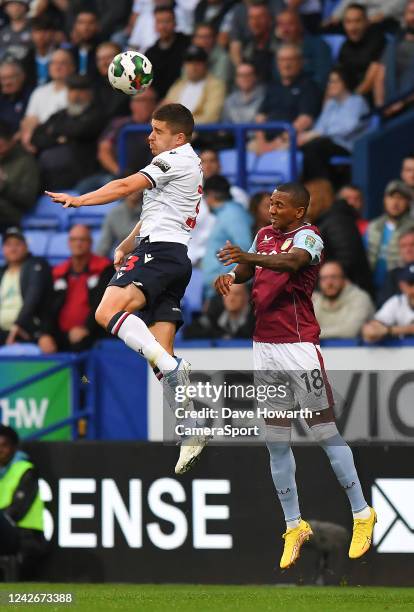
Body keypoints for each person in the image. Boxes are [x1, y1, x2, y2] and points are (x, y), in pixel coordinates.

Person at [214, 182, 376, 569]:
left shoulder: (310, 237)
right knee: (275, 441)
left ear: (299, 211)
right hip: (264, 347)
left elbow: (291, 264)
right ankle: (293, 525)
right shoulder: (263, 235)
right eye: (270, 203)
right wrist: (233, 279)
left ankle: (361, 512)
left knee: (323, 431)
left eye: (280, 205)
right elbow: (246, 269)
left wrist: (251, 256)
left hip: (298, 346)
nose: (271, 210)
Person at [45, 103, 206, 475]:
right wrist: (128, 243)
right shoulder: (186, 164)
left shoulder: (175, 159)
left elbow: (124, 186)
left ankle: (175, 367)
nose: (150, 137)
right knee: (158, 355)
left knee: (106, 312)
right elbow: (158, 212)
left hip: (160, 254)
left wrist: (81, 199)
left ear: (178, 137)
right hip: (173, 256)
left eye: (157, 130)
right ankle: (191, 429)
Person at [38, 225, 113, 353]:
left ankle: (84, 374)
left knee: (81, 347)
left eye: (82, 240)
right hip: (61, 335)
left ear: (90, 242)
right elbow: (47, 307)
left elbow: (102, 303)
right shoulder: (58, 271)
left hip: (91, 334)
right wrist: (44, 334)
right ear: (69, 243)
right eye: (74, 240)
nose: (78, 244)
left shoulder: (105, 269)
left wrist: (86, 329)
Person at [31, 74, 105, 190]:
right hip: (49, 176)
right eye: (72, 90)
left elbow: (80, 130)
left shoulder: (97, 114)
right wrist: (58, 139)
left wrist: (54, 131)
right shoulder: (59, 115)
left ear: (89, 93)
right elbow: (36, 137)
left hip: (81, 174)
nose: (76, 95)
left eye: (81, 91)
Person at [299, 68, 369, 184]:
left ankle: (323, 186)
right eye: (329, 81)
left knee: (315, 148)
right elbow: (319, 127)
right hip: (327, 144)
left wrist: (318, 134)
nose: (330, 85)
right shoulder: (331, 104)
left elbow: (349, 128)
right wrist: (307, 136)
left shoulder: (357, 102)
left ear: (345, 83)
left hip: (347, 146)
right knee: (306, 147)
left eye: (334, 81)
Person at [306, 178, 374, 295]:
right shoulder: (325, 221)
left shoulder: (337, 221)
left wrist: (323, 282)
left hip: (348, 293)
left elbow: (347, 259)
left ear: (317, 199)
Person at [254, 44, 321, 153]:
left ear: (300, 62)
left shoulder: (308, 86)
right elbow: (260, 116)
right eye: (282, 60)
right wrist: (261, 142)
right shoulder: (272, 86)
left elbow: (305, 120)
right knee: (244, 151)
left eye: (291, 60)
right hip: (265, 141)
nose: (286, 64)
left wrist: (277, 142)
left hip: (291, 139)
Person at [0, 425, 47, 575]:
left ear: (14, 448)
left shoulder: (26, 470)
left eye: (4, 445)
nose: (0, 450)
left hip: (25, 535)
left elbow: (17, 510)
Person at [201, 174, 252, 297]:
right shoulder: (225, 213)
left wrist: (226, 277)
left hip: (229, 290)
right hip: (219, 290)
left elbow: (245, 251)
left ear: (211, 194)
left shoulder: (233, 214)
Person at [0, 227, 52, 346]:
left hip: (28, 330)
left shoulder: (36, 266)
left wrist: (18, 324)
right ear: (3, 249)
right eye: (8, 244)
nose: (13, 248)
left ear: (26, 247)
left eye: (17, 244)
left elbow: (33, 298)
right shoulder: (2, 272)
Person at [20, 48, 75, 152]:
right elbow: (30, 120)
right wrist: (28, 138)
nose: (57, 67)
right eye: (54, 63)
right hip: (38, 143)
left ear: (72, 67)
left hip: (62, 145)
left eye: (63, 63)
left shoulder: (76, 92)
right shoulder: (39, 92)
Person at [366, 180, 414, 292]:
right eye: (391, 197)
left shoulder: (412, 227)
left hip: (401, 287)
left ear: (408, 202)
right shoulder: (373, 226)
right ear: (385, 200)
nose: (395, 203)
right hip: (372, 286)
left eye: (401, 198)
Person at [164, 45, 226, 124]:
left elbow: (210, 117)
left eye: (198, 62)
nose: (193, 67)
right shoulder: (179, 84)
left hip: (201, 133)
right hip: (175, 132)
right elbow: (165, 111)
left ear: (205, 65)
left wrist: (178, 124)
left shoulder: (216, 85)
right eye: (189, 62)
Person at [313, 261, 374, 338]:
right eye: (324, 278)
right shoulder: (316, 300)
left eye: (333, 277)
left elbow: (350, 331)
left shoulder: (360, 298)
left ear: (345, 280)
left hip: (357, 349)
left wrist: (312, 333)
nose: (329, 283)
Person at [273, 8, 332, 88]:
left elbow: (322, 78)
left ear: (300, 26)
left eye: (290, 24)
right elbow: (276, 79)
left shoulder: (318, 46)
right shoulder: (278, 49)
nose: (285, 30)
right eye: (281, 25)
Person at [337, 3, 385, 97]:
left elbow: (371, 79)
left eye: (358, 21)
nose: (353, 27)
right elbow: (339, 78)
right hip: (349, 98)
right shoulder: (345, 46)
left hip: (369, 98)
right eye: (348, 22)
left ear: (367, 22)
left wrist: (352, 100)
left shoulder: (378, 40)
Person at [0, 121, 40, 230]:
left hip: (10, 216)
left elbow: (27, 199)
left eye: (1, 146)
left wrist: (4, 186)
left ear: (11, 141)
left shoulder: (26, 162)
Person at [374, 1, 414, 107]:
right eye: (411, 12)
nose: (413, 18)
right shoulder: (394, 42)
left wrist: (402, 104)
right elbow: (379, 77)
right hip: (388, 108)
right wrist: (380, 106)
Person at [145, 6, 190, 100]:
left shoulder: (188, 44)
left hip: (184, 96)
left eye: (167, 21)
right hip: (159, 103)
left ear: (175, 23)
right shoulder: (150, 53)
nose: (163, 26)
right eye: (159, 22)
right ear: (155, 25)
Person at [183, 282, 254, 339]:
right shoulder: (214, 314)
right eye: (226, 293)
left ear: (246, 297)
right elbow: (189, 331)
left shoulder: (257, 319)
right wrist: (219, 336)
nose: (231, 298)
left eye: (236, 294)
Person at [363, 263, 414, 342]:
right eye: (411, 283)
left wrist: (389, 330)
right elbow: (370, 330)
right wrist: (373, 330)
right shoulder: (397, 302)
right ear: (402, 286)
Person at [229, 1, 274, 82]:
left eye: (260, 17)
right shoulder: (246, 48)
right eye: (251, 18)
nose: (255, 22)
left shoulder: (278, 46)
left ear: (269, 20)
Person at [96, 193, 142, 257]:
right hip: (124, 262)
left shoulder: (153, 211)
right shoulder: (114, 214)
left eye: (137, 184)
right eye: (128, 184)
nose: (134, 189)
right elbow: (104, 246)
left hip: (150, 260)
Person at [93, 41, 130, 122]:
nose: (104, 63)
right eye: (100, 59)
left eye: (109, 57)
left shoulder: (132, 84)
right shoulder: (94, 86)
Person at [378, 228, 414, 306]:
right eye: (403, 246)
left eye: (412, 245)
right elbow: (383, 305)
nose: (408, 250)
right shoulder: (392, 275)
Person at [192, 22, 233, 89]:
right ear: (194, 40)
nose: (204, 41)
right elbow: (185, 82)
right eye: (200, 37)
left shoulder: (224, 58)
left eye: (207, 37)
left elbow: (219, 86)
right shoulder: (191, 56)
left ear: (214, 39)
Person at [0, 58, 32, 133]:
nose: (7, 83)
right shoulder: (1, 99)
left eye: (11, 77)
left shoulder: (33, 96)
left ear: (22, 76)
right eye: (3, 78)